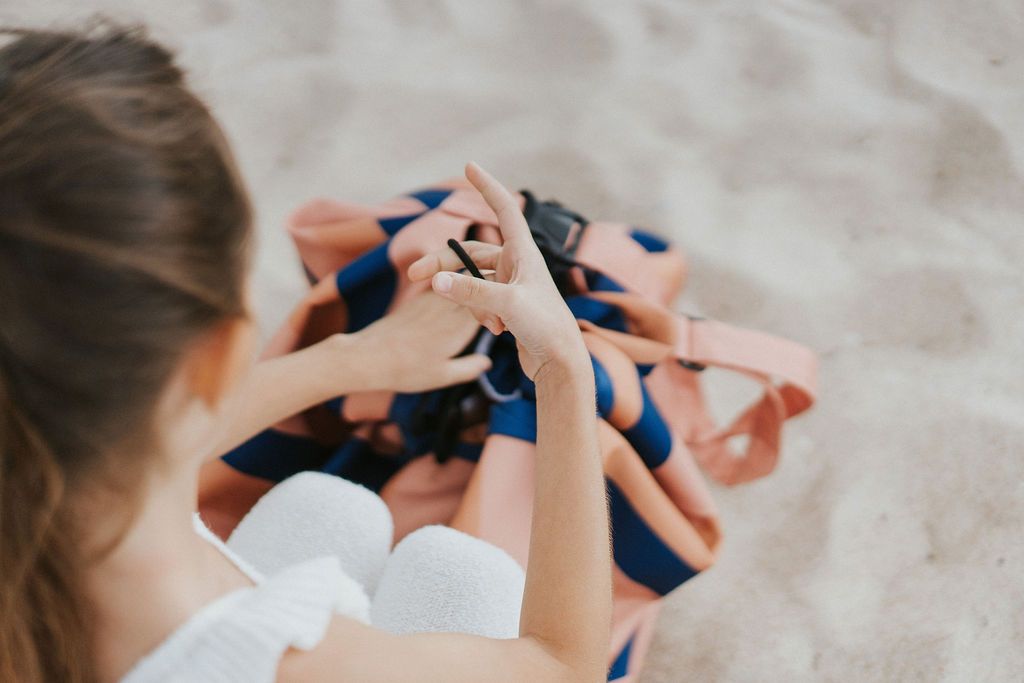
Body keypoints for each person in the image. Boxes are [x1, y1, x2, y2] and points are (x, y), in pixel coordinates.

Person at [0, 23, 612, 683]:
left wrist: (361, 358)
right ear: (222, 353)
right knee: (463, 571)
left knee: (331, 509)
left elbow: (127, 451)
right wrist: (565, 370)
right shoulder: (277, 658)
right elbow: (562, 662)